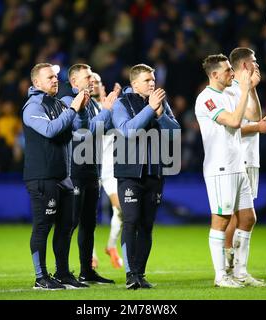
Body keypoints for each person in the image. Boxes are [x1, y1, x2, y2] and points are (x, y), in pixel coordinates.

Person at [195, 54, 265, 288]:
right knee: (222, 219)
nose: (231, 74)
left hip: (238, 165)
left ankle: (241, 273)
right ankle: (221, 275)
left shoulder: (231, 92)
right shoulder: (206, 99)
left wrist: (250, 89)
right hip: (220, 167)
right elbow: (235, 122)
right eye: (227, 71)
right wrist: (244, 90)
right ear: (214, 75)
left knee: (247, 218)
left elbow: (254, 117)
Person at [112, 63, 180, 289]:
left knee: (147, 224)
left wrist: (161, 115)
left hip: (155, 172)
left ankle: (140, 274)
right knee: (131, 221)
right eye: (147, 80)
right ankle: (130, 274)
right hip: (130, 172)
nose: (153, 83)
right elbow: (127, 131)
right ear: (134, 84)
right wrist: (150, 109)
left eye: (153, 80)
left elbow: (175, 133)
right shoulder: (122, 103)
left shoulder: (161, 103)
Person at [22, 63, 89, 290]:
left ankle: (62, 273)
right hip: (42, 176)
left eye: (55, 77)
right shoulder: (33, 106)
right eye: (49, 77)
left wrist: (80, 110)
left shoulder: (59, 103)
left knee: (66, 226)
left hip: (63, 176)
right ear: (36, 82)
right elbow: (50, 130)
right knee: (43, 226)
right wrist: (72, 110)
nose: (54, 80)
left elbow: (78, 130)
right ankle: (41, 277)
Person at [60, 64, 117, 285]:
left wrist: (109, 111)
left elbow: (104, 130)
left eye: (93, 76)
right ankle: (62, 272)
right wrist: (106, 111)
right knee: (70, 222)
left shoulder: (93, 103)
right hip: (74, 171)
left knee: (88, 223)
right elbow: (84, 132)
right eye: (87, 77)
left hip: (92, 171)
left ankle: (86, 271)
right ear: (74, 82)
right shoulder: (69, 103)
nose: (92, 80)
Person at [223, 47, 266, 274]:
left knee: (241, 215)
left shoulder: (245, 89)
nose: (257, 64)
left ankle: (235, 267)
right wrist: (259, 126)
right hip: (238, 158)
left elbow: (253, 117)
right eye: (254, 61)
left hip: (250, 158)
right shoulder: (231, 90)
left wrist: (252, 90)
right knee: (235, 215)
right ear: (245, 65)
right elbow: (233, 128)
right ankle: (227, 264)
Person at [90, 72, 124, 269]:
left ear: (103, 87)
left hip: (110, 169)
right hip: (90, 167)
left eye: (98, 82)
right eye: (91, 82)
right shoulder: (84, 108)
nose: (94, 85)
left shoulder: (112, 107)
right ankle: (91, 255)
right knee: (88, 214)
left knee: (121, 210)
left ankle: (111, 246)